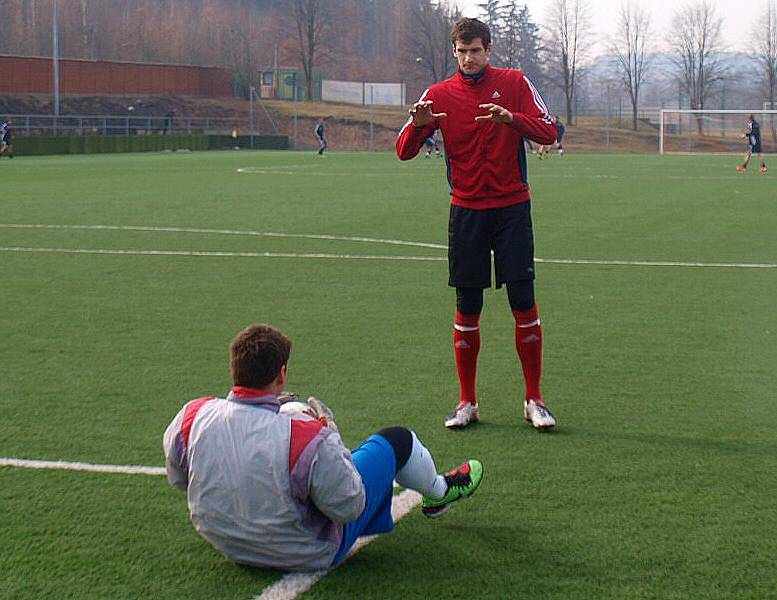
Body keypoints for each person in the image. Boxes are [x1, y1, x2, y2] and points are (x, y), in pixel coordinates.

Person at [162, 323, 483, 572]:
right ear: (282, 374)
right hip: (305, 551)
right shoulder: (305, 437)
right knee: (398, 440)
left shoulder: (192, 415)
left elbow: (179, 480)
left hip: (223, 539)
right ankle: (439, 492)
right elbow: (348, 506)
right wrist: (331, 439)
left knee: (290, 414)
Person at [396, 17, 558, 431]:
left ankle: (534, 399)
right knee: (468, 307)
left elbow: (550, 130)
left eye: (476, 51)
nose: (469, 58)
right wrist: (418, 127)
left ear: (489, 50)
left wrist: (511, 120)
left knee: (523, 301)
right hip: (466, 212)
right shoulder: (438, 95)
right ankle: (467, 402)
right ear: (454, 52)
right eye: (462, 51)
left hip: (512, 210)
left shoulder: (516, 82)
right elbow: (402, 151)